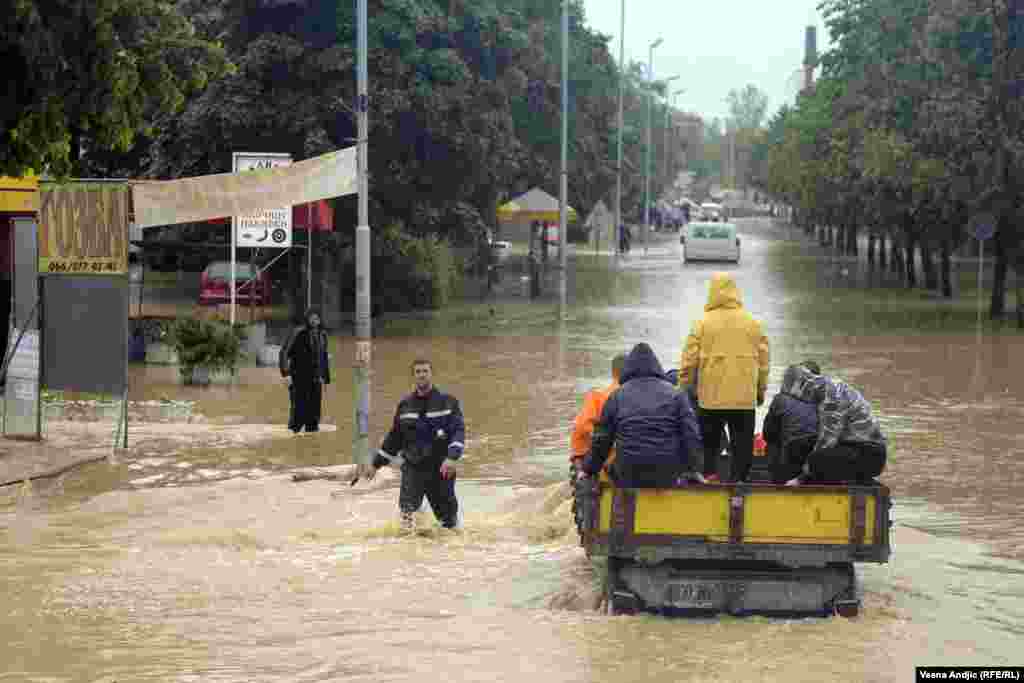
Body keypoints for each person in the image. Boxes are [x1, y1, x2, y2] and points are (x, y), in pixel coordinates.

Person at [677, 272, 770, 483]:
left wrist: (683, 388)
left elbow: (689, 362)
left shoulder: (701, 324)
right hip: (744, 400)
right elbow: (763, 364)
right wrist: (760, 391)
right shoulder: (753, 324)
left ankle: (710, 479)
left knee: (709, 446)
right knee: (742, 448)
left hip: (710, 399)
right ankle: (739, 485)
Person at [581, 343, 703, 488]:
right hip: (666, 474)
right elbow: (691, 435)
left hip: (628, 474)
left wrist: (589, 470)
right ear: (657, 368)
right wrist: (694, 470)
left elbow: (602, 440)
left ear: (627, 371)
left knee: (611, 468)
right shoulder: (677, 394)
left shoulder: (617, 396)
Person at [365, 359, 465, 529]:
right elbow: (394, 438)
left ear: (431, 374)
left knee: (449, 524)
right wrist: (375, 465)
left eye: (425, 371)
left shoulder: (448, 402)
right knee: (407, 516)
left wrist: (452, 458)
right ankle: (408, 550)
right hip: (413, 467)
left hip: (441, 468)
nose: (422, 375)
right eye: (418, 372)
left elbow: (458, 431)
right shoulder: (405, 406)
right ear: (413, 376)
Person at [781, 364, 887, 486]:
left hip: (869, 455)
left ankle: (804, 487)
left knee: (818, 459)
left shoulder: (831, 398)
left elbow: (827, 442)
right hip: (853, 447)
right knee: (800, 445)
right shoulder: (826, 386)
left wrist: (800, 479)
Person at [762, 362, 821, 484]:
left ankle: (777, 482)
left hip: (790, 456)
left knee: (772, 445)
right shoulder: (825, 399)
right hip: (817, 456)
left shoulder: (781, 399)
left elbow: (768, 434)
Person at [570, 354, 626, 474]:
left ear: (613, 372)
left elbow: (582, 426)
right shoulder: (640, 398)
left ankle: (581, 473)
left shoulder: (598, 396)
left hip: (601, 458)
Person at [279, 308, 330, 433]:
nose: (314, 320)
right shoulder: (298, 332)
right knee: (298, 413)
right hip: (298, 379)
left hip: (316, 380)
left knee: (314, 416)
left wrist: (325, 378)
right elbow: (284, 353)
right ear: (307, 319)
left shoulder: (322, 335)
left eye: (317, 318)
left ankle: (311, 444)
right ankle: (293, 438)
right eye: (312, 317)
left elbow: (323, 356)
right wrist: (286, 374)